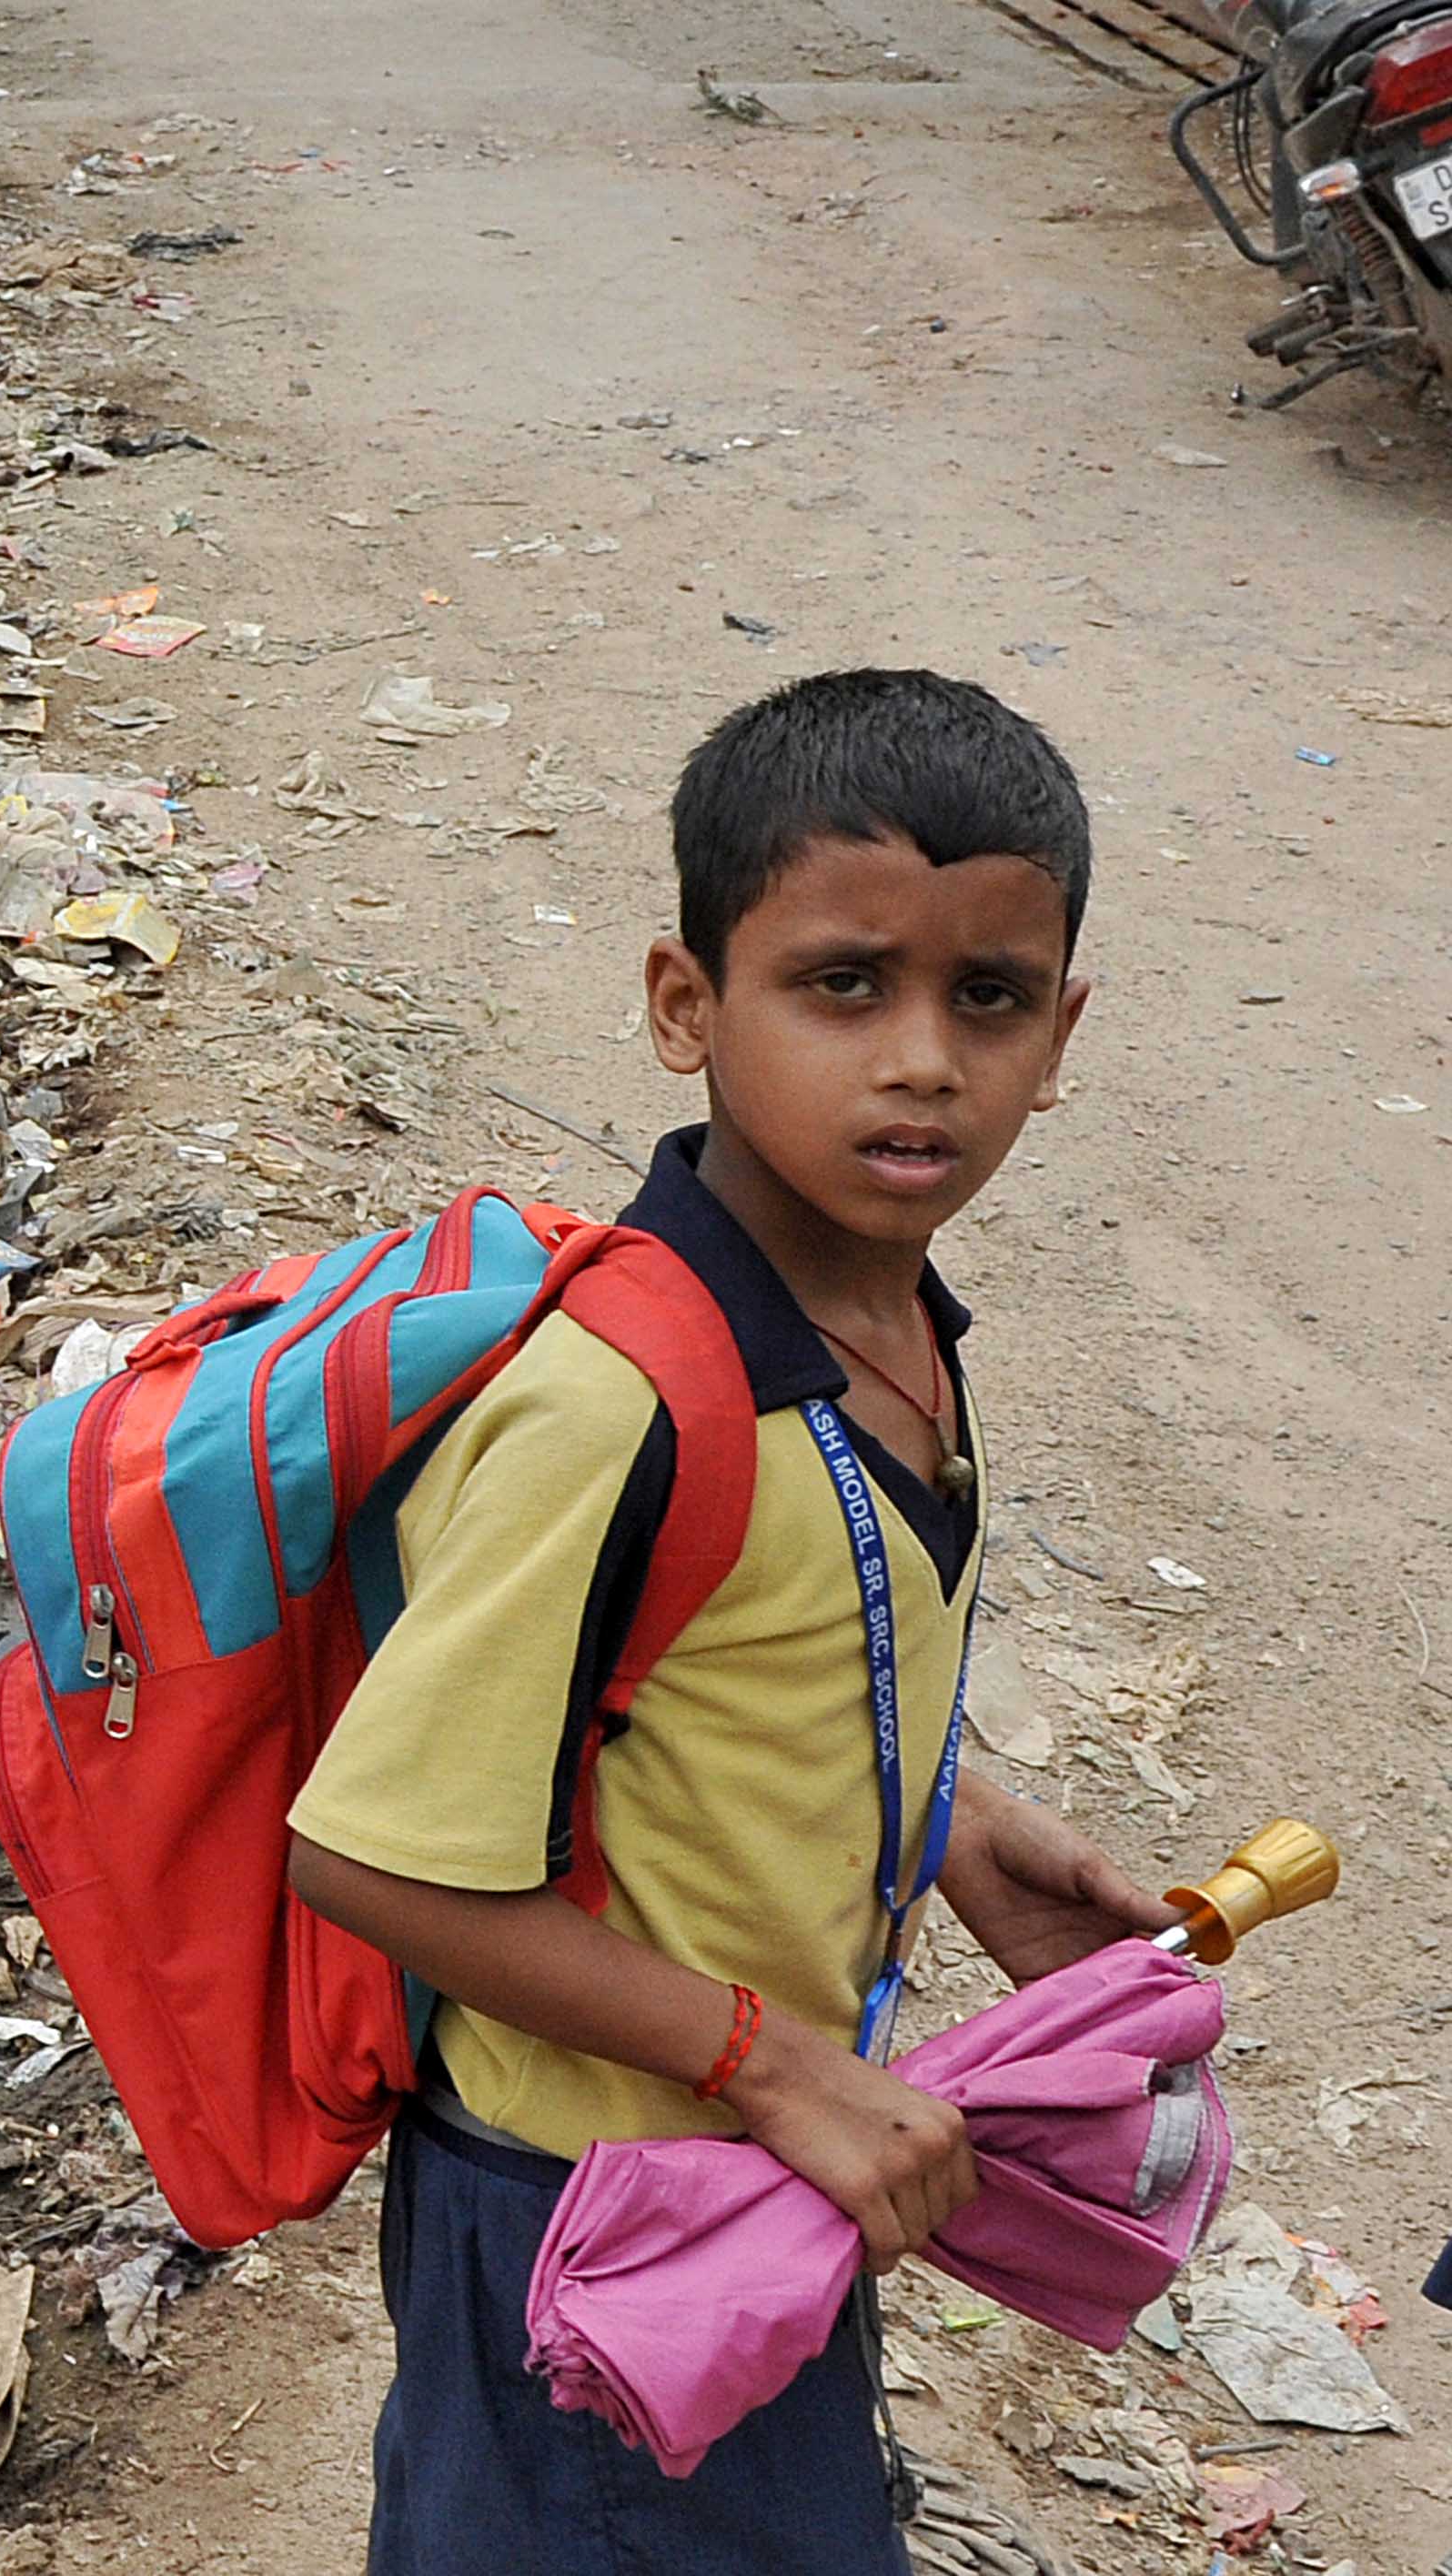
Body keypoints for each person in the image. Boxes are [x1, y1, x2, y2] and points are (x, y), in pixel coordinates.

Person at [283, 669, 1185, 2574]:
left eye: (987, 997)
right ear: (685, 1007)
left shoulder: (885, 1330)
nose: (923, 1059)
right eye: (842, 984)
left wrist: (943, 1821)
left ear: (1063, 1029)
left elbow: (727, 1666)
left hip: (758, 2164)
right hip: (582, 2213)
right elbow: (372, 1855)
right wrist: (777, 2062)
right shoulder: (618, 1404)